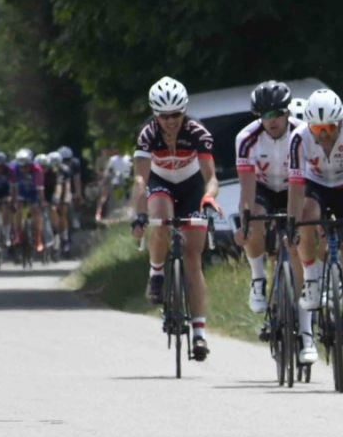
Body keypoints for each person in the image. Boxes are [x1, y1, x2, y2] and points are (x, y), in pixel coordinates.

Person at [286, 87, 343, 373]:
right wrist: (292, 223)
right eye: (317, 128)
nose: (324, 134)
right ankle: (312, 277)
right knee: (306, 216)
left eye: (329, 128)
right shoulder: (298, 138)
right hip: (316, 187)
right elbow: (296, 187)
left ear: (340, 122)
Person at [132, 76, 219, 360]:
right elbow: (140, 180)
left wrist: (209, 197)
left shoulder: (197, 132)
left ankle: (199, 333)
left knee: (193, 258)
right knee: (159, 217)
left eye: (176, 115)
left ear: (185, 111)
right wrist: (139, 215)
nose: (170, 122)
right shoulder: (147, 134)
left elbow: (211, 177)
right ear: (155, 114)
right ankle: (156, 272)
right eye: (164, 116)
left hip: (192, 187)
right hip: (161, 183)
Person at [234, 80, 298, 320]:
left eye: (277, 114)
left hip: (294, 186)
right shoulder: (246, 138)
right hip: (263, 187)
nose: (272, 121)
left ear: (287, 112)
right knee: (254, 219)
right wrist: (246, 220)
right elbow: (246, 189)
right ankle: (258, 278)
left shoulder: (302, 133)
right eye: (265, 115)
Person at [97, 148, 133, 222]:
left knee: (115, 202)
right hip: (125, 183)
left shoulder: (113, 159)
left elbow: (107, 172)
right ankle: (124, 217)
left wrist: (104, 181)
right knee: (125, 201)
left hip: (117, 183)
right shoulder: (128, 158)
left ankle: (117, 218)